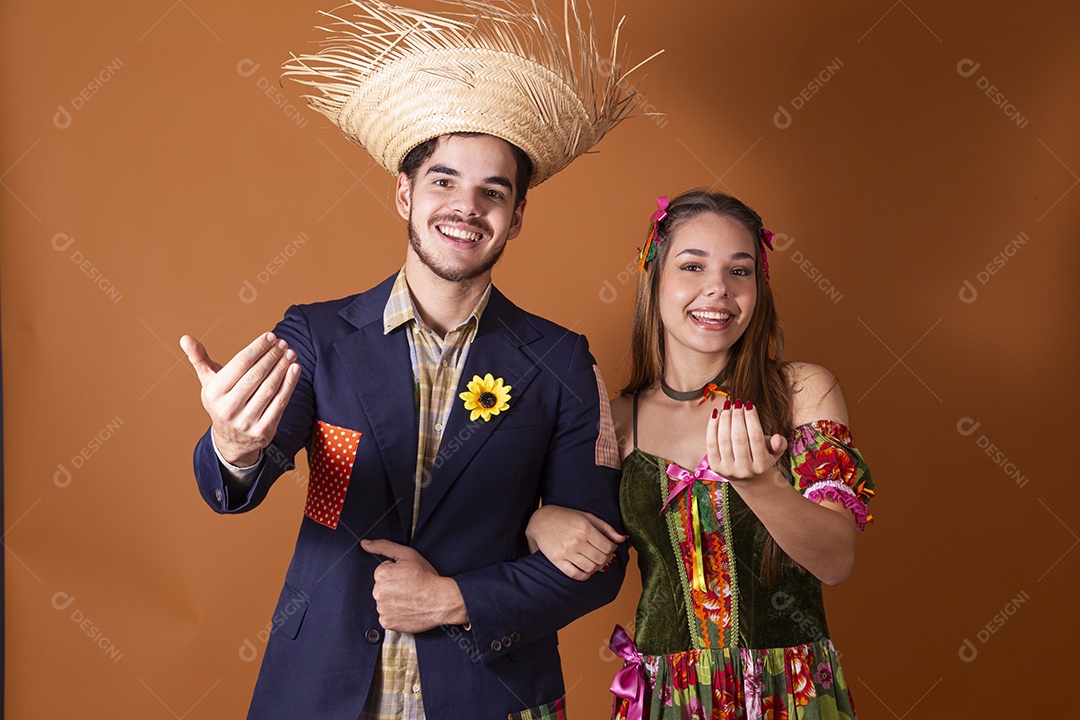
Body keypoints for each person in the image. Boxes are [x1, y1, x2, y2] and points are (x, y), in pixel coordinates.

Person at [179, 1, 656, 717]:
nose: (467, 207)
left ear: (517, 216)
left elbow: (597, 566)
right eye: (444, 180)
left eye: (493, 192)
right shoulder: (317, 335)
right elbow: (251, 467)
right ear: (404, 192)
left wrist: (451, 600)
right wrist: (235, 445)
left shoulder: (561, 361)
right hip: (319, 687)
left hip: (490, 693)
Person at [527, 190, 876, 719]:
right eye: (693, 266)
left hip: (791, 695)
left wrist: (762, 485)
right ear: (655, 278)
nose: (718, 289)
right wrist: (540, 519)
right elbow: (572, 545)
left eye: (740, 272)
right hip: (669, 698)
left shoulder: (802, 391)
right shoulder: (614, 419)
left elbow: (836, 560)